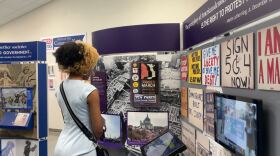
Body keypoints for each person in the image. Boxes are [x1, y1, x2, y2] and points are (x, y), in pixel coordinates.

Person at [53, 41, 105, 156]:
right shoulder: (89, 90)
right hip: (83, 150)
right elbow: (98, 131)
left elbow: (67, 120)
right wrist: (102, 121)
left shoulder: (59, 89)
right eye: (91, 66)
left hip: (60, 147)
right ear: (84, 65)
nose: (92, 71)